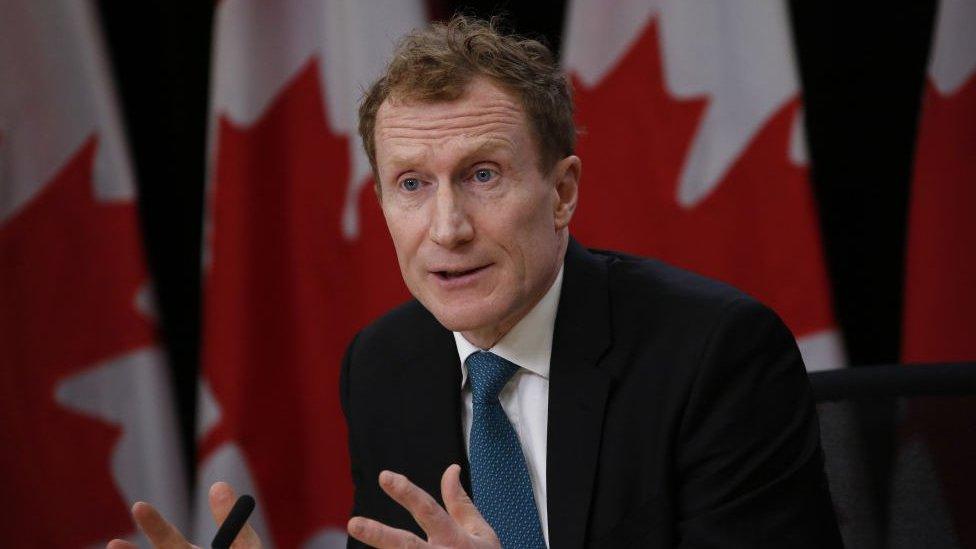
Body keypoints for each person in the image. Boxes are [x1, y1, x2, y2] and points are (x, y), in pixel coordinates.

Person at [110, 15, 842, 549]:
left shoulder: (714, 354)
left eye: (482, 175)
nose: (448, 226)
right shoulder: (385, 365)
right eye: (412, 184)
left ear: (562, 193)